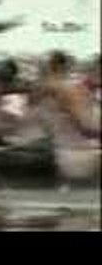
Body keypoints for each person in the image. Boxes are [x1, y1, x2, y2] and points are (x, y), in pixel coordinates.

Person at [37, 51, 100, 183]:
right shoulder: (68, 90)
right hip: (72, 157)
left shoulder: (45, 87)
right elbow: (86, 126)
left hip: (61, 152)